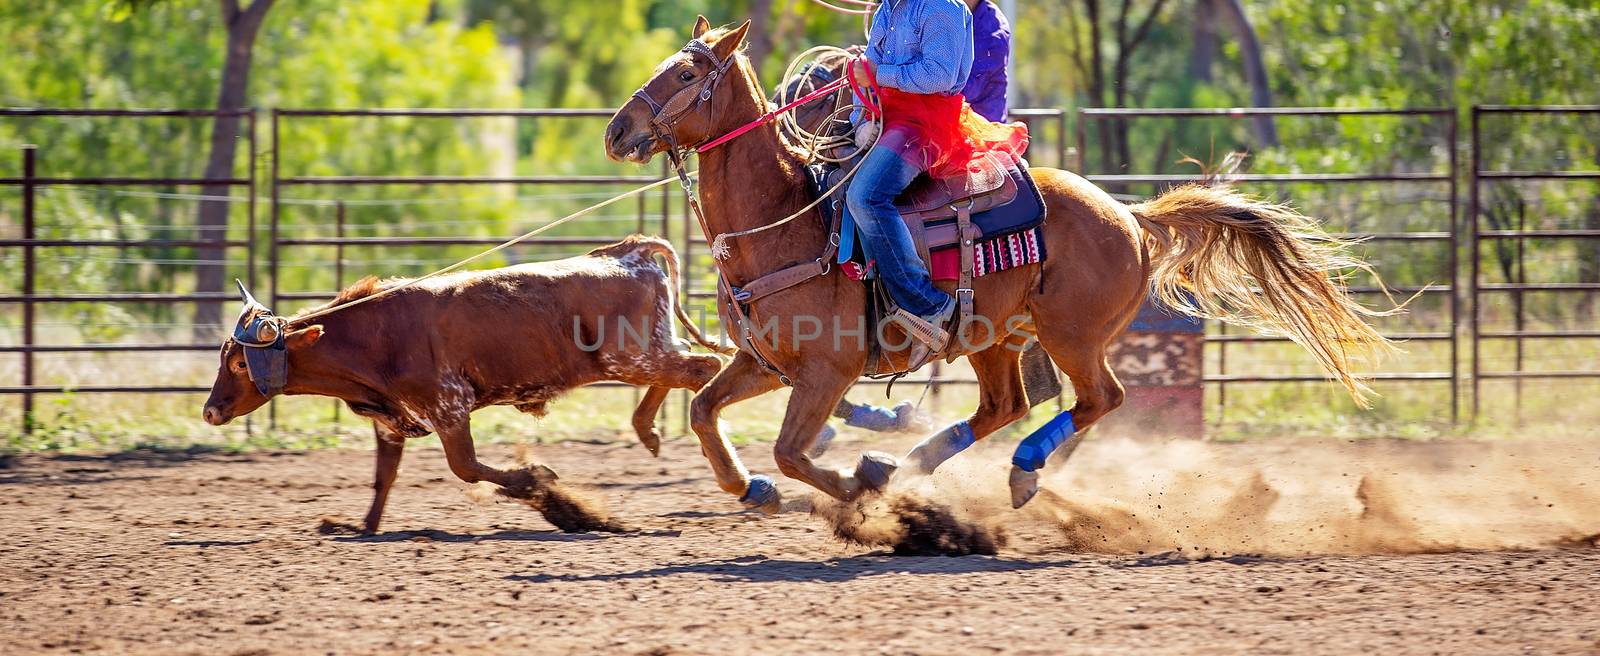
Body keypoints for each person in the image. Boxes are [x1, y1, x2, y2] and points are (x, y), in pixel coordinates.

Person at [961, 0, 1012, 123]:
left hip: (982, 129)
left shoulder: (993, 28)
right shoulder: (953, 14)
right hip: (957, 124)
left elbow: (968, 88)